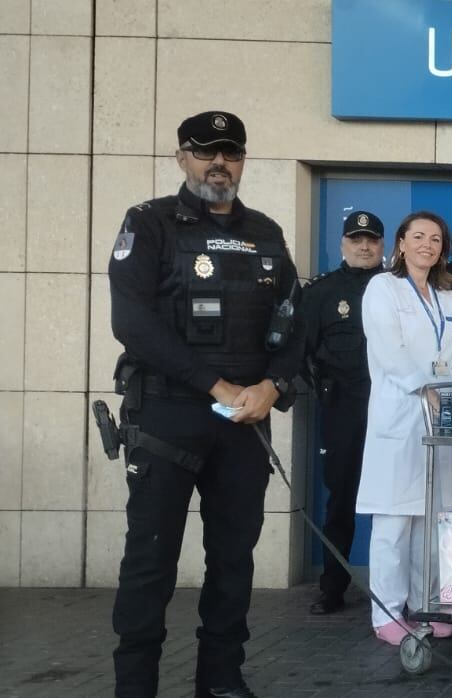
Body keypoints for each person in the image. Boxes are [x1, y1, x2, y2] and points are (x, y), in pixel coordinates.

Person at [107, 110, 302, 698]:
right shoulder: (150, 224)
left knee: (233, 560)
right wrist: (218, 387)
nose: (219, 162)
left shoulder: (266, 231)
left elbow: (293, 323)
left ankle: (220, 679)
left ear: (243, 160)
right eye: (205, 151)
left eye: (231, 152)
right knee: (151, 562)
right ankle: (134, 686)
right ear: (181, 157)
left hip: (245, 424)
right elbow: (132, 323)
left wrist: (273, 388)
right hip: (168, 416)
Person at [357, 211, 452, 646]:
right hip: (402, 415)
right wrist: (426, 388)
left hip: (443, 417)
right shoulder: (382, 289)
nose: (427, 244)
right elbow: (390, 350)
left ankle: (425, 603)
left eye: (436, 239)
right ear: (401, 243)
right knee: (394, 519)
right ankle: (386, 612)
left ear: (444, 249)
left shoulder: (447, 295)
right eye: (418, 236)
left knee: (432, 517)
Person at [299, 210, 386, 616]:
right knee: (342, 498)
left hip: (393, 408)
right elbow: (299, 351)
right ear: (342, 244)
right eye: (356, 239)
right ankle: (332, 585)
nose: (364, 246)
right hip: (344, 409)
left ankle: (398, 586)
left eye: (371, 240)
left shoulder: (398, 287)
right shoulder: (320, 292)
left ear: (384, 246)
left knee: (400, 498)